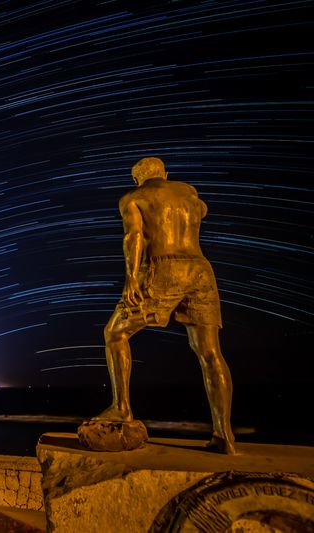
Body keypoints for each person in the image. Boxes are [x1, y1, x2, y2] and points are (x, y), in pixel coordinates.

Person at [94, 157, 236, 455]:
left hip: (163, 267)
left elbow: (132, 236)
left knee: (114, 334)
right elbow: (202, 210)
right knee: (210, 353)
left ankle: (121, 407)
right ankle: (223, 434)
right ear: (165, 174)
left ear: (137, 179)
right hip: (199, 269)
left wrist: (132, 278)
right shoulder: (188, 192)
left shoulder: (134, 198)